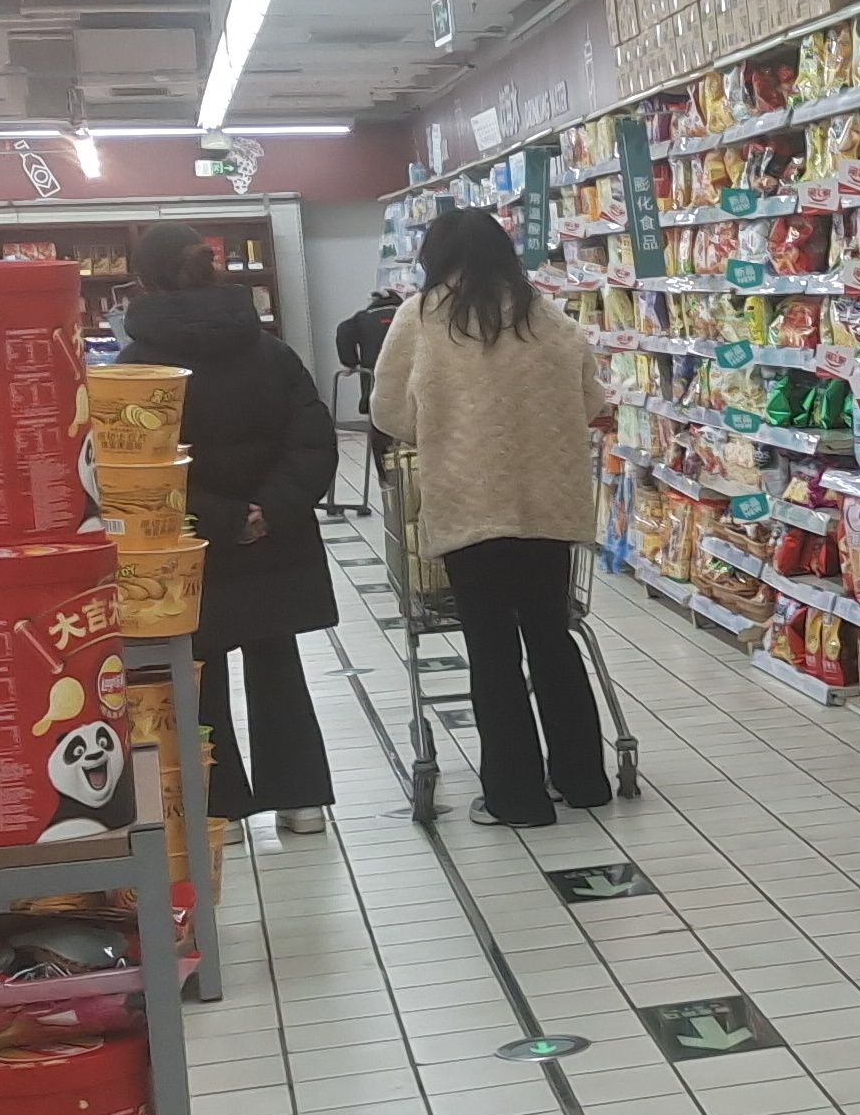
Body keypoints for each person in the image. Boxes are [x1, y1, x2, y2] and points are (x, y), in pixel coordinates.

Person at [370, 206, 610, 824]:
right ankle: (584, 779)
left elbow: (389, 411)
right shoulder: (547, 315)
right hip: (549, 507)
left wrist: (446, 427)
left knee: (492, 650)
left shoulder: (422, 317)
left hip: (468, 506)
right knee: (552, 637)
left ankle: (515, 796)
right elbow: (591, 398)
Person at [118, 225, 341, 833]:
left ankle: (219, 810)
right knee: (279, 668)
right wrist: (269, 510)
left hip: (186, 546)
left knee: (199, 676)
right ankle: (301, 803)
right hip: (276, 541)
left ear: (145, 281)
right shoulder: (270, 351)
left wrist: (218, 518)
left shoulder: (136, 369)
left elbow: (138, 469)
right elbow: (312, 440)